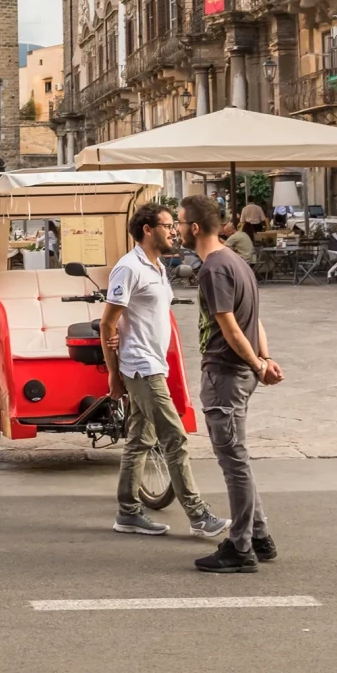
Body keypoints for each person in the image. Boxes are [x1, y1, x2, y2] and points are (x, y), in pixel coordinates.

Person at [101, 202, 227, 540]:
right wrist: (114, 374)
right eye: (168, 225)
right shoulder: (129, 268)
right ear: (147, 229)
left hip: (154, 363)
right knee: (175, 437)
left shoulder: (156, 266)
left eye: (174, 225)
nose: (174, 231)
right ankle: (198, 514)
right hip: (140, 366)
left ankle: (128, 512)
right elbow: (107, 323)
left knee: (140, 439)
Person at [179, 195, 283, 574]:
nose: (176, 230)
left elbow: (231, 325)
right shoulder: (236, 261)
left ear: (194, 227)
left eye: (179, 223)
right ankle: (258, 535)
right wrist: (264, 360)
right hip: (241, 372)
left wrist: (257, 362)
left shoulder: (213, 269)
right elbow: (256, 320)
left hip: (225, 373)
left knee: (233, 462)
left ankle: (240, 548)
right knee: (239, 458)